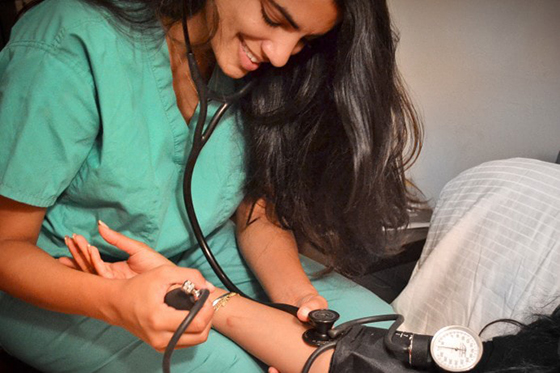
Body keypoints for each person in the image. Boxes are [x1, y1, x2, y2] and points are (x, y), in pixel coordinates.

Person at [0, 0, 421, 371]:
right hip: (61, 273)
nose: (279, 56)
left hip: (201, 249)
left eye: (304, 41)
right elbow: (5, 245)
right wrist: (119, 302)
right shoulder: (71, 41)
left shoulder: (256, 68)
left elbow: (255, 206)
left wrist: (296, 299)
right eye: (274, 17)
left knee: (376, 339)